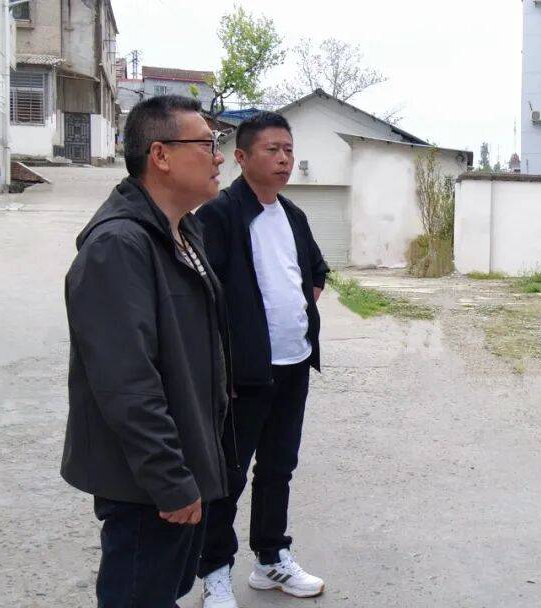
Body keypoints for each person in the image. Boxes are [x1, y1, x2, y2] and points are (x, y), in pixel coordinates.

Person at [61, 95, 230, 607]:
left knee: (166, 591)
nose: (219, 156)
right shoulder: (118, 245)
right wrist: (170, 480)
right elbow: (126, 384)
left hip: (184, 461)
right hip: (147, 485)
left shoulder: (183, 231)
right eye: (207, 144)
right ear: (160, 155)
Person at [195, 111, 329, 607]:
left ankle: (270, 559)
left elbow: (316, 271)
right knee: (227, 477)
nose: (284, 159)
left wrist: (295, 314)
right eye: (272, 150)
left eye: (289, 150)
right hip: (243, 375)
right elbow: (202, 296)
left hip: (294, 365)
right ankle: (215, 572)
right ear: (242, 156)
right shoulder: (218, 215)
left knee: (278, 468)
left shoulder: (293, 215)